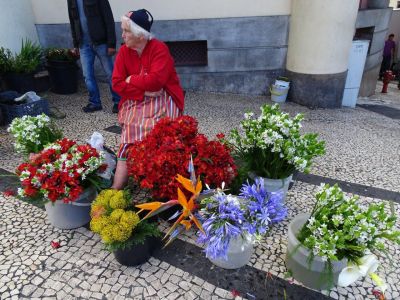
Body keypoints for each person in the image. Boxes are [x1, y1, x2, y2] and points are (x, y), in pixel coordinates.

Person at [111, 9, 185, 190]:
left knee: (159, 128)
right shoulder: (123, 51)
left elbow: (156, 82)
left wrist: (131, 79)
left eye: (126, 31)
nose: (122, 35)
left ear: (140, 35)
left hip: (164, 97)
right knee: (131, 125)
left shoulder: (159, 48)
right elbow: (116, 83)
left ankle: (161, 174)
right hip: (137, 98)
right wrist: (142, 93)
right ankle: (118, 184)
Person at [67, 0, 120, 113]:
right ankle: (95, 103)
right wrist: (75, 44)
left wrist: (111, 43)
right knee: (87, 76)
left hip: (101, 43)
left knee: (111, 74)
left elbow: (108, 18)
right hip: (84, 45)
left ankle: (118, 102)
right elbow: (73, 22)